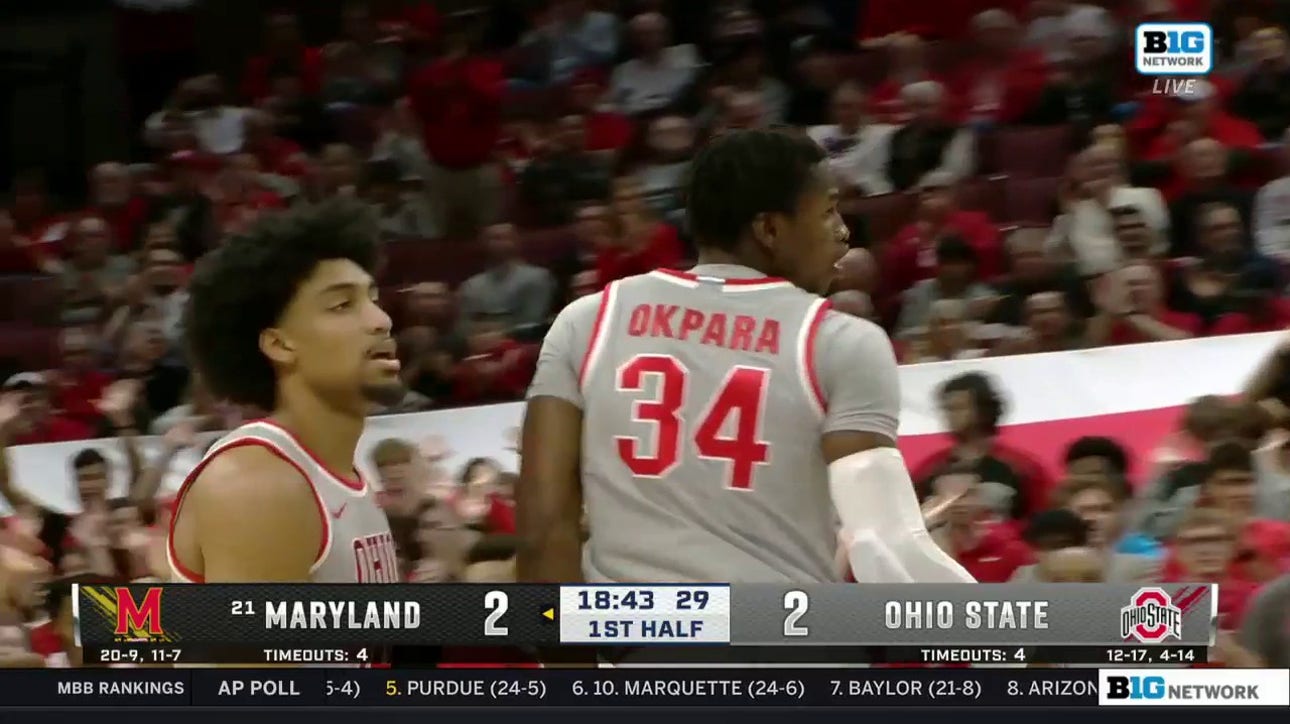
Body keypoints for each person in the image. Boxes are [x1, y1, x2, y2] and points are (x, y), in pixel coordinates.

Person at [518, 129, 975, 591]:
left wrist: (576, 655)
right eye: (829, 210)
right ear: (770, 229)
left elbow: (542, 530)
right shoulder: (840, 340)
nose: (843, 230)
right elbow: (885, 543)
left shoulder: (587, 320)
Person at [167, 199, 403, 585]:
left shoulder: (342, 474)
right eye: (343, 305)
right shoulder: (258, 485)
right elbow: (254, 648)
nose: (382, 321)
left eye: (373, 300)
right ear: (279, 345)